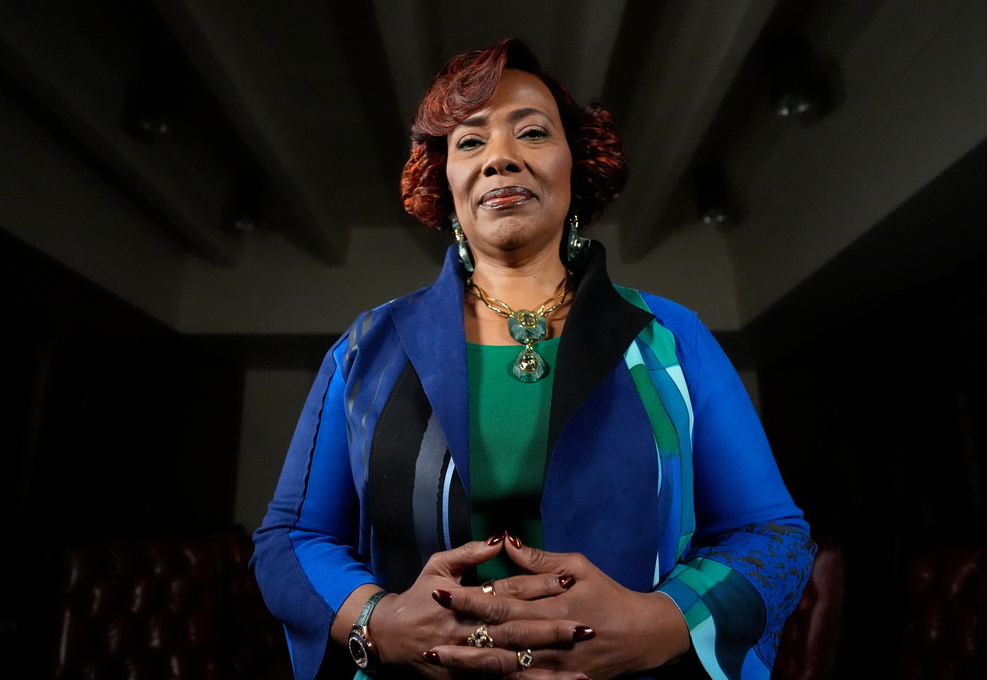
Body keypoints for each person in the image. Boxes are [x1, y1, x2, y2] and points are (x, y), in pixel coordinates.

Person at [252, 39, 814, 680]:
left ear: (576, 166)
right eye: (470, 142)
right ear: (448, 179)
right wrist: (376, 622)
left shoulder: (673, 338)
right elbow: (291, 540)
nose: (499, 158)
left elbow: (773, 536)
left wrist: (662, 622)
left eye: (532, 132)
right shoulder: (365, 349)